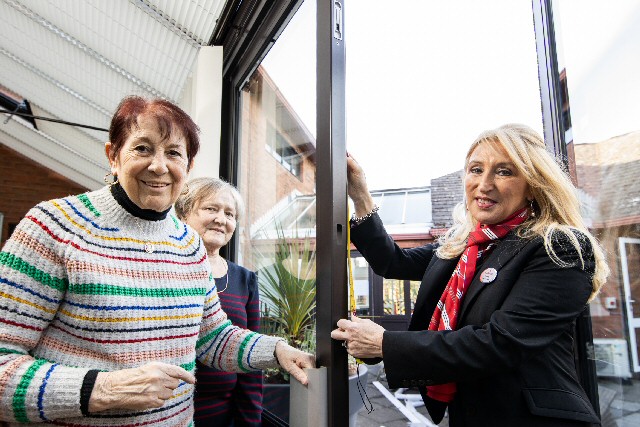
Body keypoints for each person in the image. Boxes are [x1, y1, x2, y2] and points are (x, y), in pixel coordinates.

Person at [0, 95, 314, 427]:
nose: (159, 166)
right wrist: (103, 389)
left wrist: (277, 351)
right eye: (143, 148)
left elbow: (212, 337)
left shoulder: (189, 244)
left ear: (188, 167)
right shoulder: (54, 227)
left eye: (174, 153)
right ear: (113, 156)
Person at [331, 124, 609, 426]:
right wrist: (360, 195)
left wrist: (385, 343)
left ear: (533, 184)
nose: (484, 184)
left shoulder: (558, 246)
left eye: (504, 172)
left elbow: (501, 343)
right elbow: (393, 262)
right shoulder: (466, 246)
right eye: (476, 169)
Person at [175, 177, 262, 426]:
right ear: (183, 214)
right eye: (211, 209)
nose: (221, 219)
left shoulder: (245, 280)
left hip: (223, 417)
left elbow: (252, 359)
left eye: (229, 214)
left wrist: (249, 422)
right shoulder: (165, 268)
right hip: (168, 413)